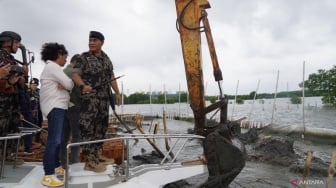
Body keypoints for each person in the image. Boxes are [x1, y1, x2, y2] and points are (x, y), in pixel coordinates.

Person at [72, 31, 121, 172]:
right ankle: (89, 161)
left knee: (101, 128)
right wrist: (82, 86)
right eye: (90, 40)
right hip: (90, 101)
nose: (91, 43)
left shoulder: (106, 58)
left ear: (102, 42)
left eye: (94, 40)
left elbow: (111, 75)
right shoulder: (84, 57)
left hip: (104, 100)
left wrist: (117, 92)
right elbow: (75, 74)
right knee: (88, 129)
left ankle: (97, 155)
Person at [39, 42, 73, 187]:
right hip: (55, 107)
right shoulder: (53, 66)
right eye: (65, 57)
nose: (65, 60)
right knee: (54, 140)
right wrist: (67, 86)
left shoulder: (51, 68)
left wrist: (65, 86)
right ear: (59, 55)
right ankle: (48, 174)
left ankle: (57, 167)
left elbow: (66, 85)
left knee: (58, 140)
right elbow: (70, 84)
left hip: (58, 107)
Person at [0, 31, 25, 165]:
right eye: (16, 42)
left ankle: (8, 156)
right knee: (2, 131)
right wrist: (8, 82)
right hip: (2, 103)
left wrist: (21, 77)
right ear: (8, 42)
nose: (18, 46)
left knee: (12, 130)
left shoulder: (11, 59)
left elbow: (19, 81)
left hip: (12, 103)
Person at [60, 54, 81, 168]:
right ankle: (74, 160)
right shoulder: (74, 72)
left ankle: (62, 161)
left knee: (64, 136)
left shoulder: (63, 71)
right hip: (74, 106)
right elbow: (78, 91)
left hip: (63, 106)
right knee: (76, 135)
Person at [29, 78, 43, 145]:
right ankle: (30, 142)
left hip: (38, 112)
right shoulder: (27, 92)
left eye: (35, 85)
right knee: (30, 127)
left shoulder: (38, 92)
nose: (34, 86)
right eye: (33, 85)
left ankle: (37, 140)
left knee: (39, 125)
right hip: (30, 113)